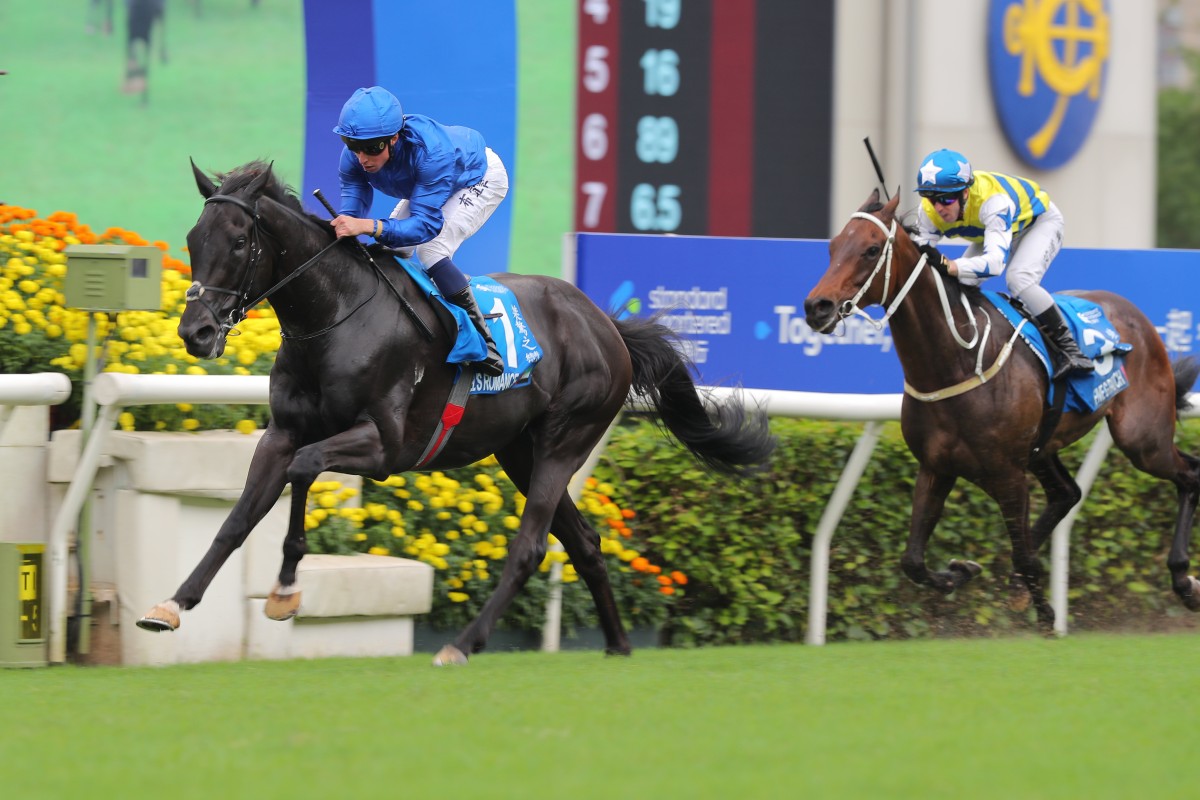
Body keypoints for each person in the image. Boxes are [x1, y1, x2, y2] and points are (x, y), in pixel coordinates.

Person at [329, 86, 507, 376]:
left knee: (431, 249)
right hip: (437, 180)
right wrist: (344, 224)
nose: (362, 157)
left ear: (394, 138)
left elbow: (425, 225)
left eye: (372, 148)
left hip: (479, 176)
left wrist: (368, 226)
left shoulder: (431, 153)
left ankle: (484, 343)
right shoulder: (356, 156)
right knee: (391, 251)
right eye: (353, 145)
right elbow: (353, 205)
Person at [912, 148, 1093, 379]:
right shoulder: (928, 211)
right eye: (930, 198)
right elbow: (919, 255)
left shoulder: (994, 202)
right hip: (989, 231)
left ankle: (1071, 351)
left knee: (1019, 279)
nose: (938, 207)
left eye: (946, 199)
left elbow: (995, 264)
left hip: (1037, 223)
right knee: (959, 283)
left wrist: (951, 265)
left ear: (965, 193)